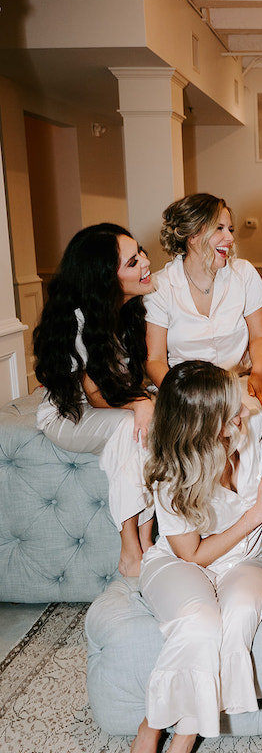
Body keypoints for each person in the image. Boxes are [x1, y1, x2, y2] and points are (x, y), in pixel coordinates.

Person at [125, 360, 262, 753]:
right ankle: (150, 732)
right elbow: (193, 555)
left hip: (248, 562)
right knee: (199, 623)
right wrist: (254, 514)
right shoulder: (168, 471)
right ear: (199, 420)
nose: (240, 412)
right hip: (184, 562)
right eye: (227, 408)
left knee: (236, 618)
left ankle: (179, 743)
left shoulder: (252, 428)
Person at [33, 223, 155, 577]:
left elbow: (128, 378)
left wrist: (144, 401)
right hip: (68, 415)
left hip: (107, 404)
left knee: (148, 422)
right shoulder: (78, 320)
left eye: (140, 252)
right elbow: (98, 396)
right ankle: (130, 550)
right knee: (130, 424)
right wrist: (139, 403)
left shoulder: (125, 311)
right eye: (133, 262)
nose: (146, 263)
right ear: (106, 279)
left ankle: (148, 542)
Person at [144, 193, 262, 410]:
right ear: (192, 235)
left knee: (246, 422)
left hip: (237, 382)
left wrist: (259, 371)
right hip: (183, 389)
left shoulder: (244, 273)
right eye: (220, 228)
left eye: (230, 229)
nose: (230, 238)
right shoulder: (160, 285)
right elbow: (155, 359)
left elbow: (260, 335)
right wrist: (176, 395)